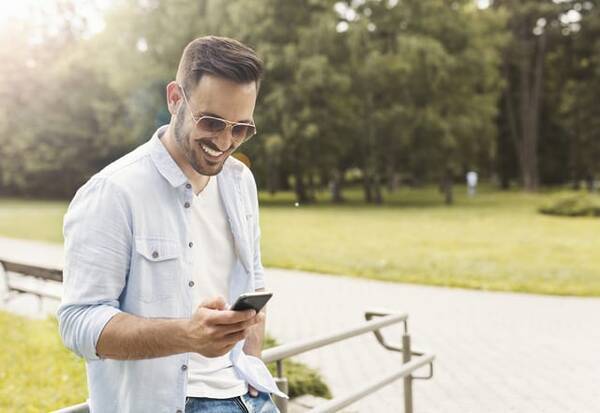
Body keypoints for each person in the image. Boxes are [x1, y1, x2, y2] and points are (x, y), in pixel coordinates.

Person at [57, 36, 286, 413]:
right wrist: (188, 336)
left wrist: (251, 360)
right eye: (212, 122)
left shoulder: (240, 181)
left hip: (250, 392)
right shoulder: (113, 192)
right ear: (175, 99)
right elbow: (78, 324)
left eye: (241, 128)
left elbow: (254, 280)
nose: (225, 142)